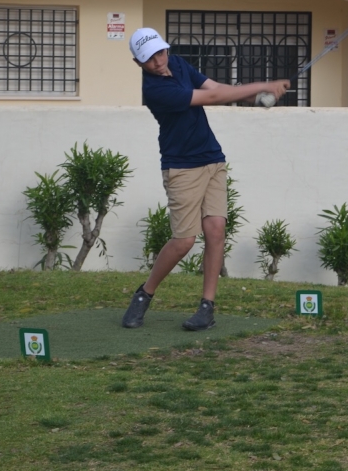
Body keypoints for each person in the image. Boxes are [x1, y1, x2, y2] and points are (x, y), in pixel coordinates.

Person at [122, 27, 289, 331]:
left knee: (215, 231)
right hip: (182, 167)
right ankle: (144, 294)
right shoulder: (154, 90)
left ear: (166, 49)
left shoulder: (178, 63)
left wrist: (254, 97)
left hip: (212, 158)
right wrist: (265, 84)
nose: (158, 61)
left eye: (160, 53)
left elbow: (215, 87)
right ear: (138, 63)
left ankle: (206, 308)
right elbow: (211, 97)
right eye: (149, 58)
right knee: (184, 241)